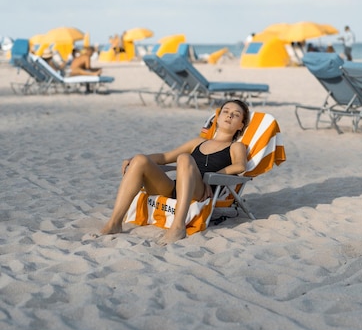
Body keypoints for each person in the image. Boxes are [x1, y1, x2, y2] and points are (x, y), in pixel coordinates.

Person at [100, 99, 250, 243]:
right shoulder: (198, 142)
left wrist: (208, 178)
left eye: (236, 114)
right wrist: (132, 159)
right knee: (140, 159)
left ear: (240, 126)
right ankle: (115, 223)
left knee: (184, 158)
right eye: (226, 111)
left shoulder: (236, 146)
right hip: (175, 188)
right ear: (217, 118)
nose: (229, 115)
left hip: (200, 192)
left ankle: (178, 226)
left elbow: (240, 166)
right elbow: (165, 157)